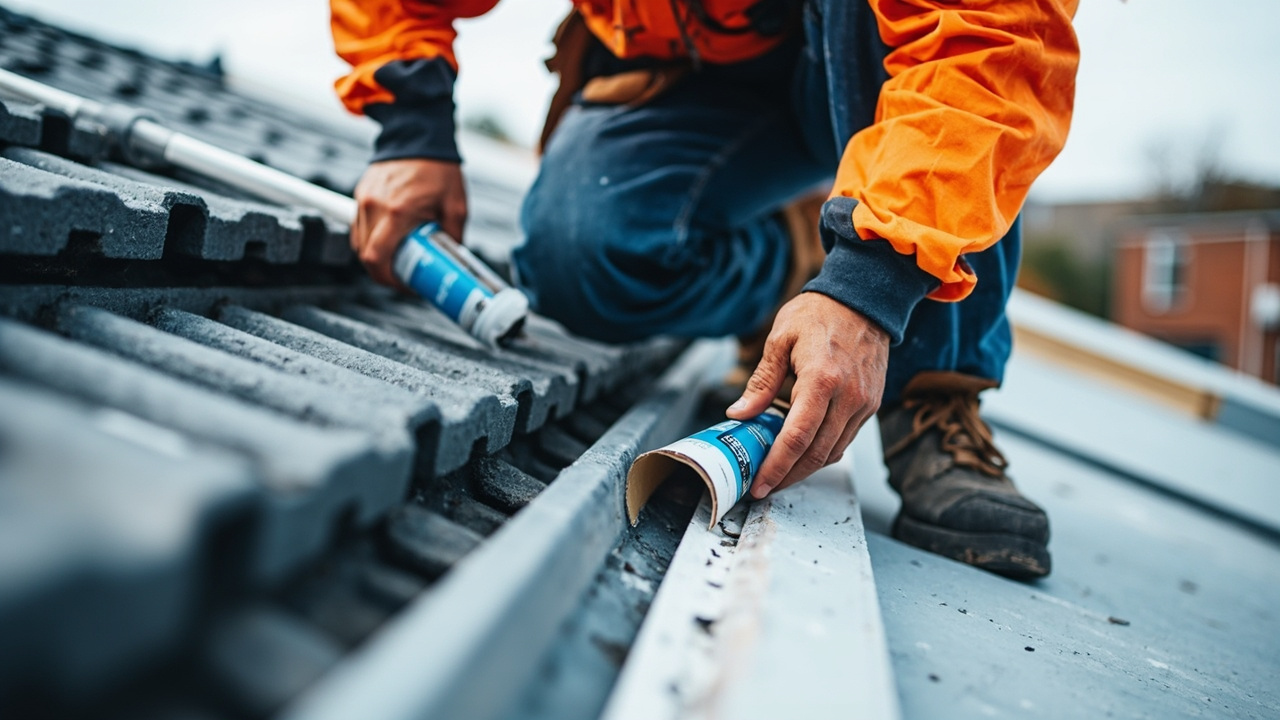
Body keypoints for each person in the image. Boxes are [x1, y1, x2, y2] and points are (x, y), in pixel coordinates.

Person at [331, 0, 1079, 579]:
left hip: (876, 48)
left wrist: (869, 286)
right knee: (578, 253)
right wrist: (412, 129)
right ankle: (792, 275)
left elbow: (986, 44)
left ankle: (931, 394)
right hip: (697, 69)